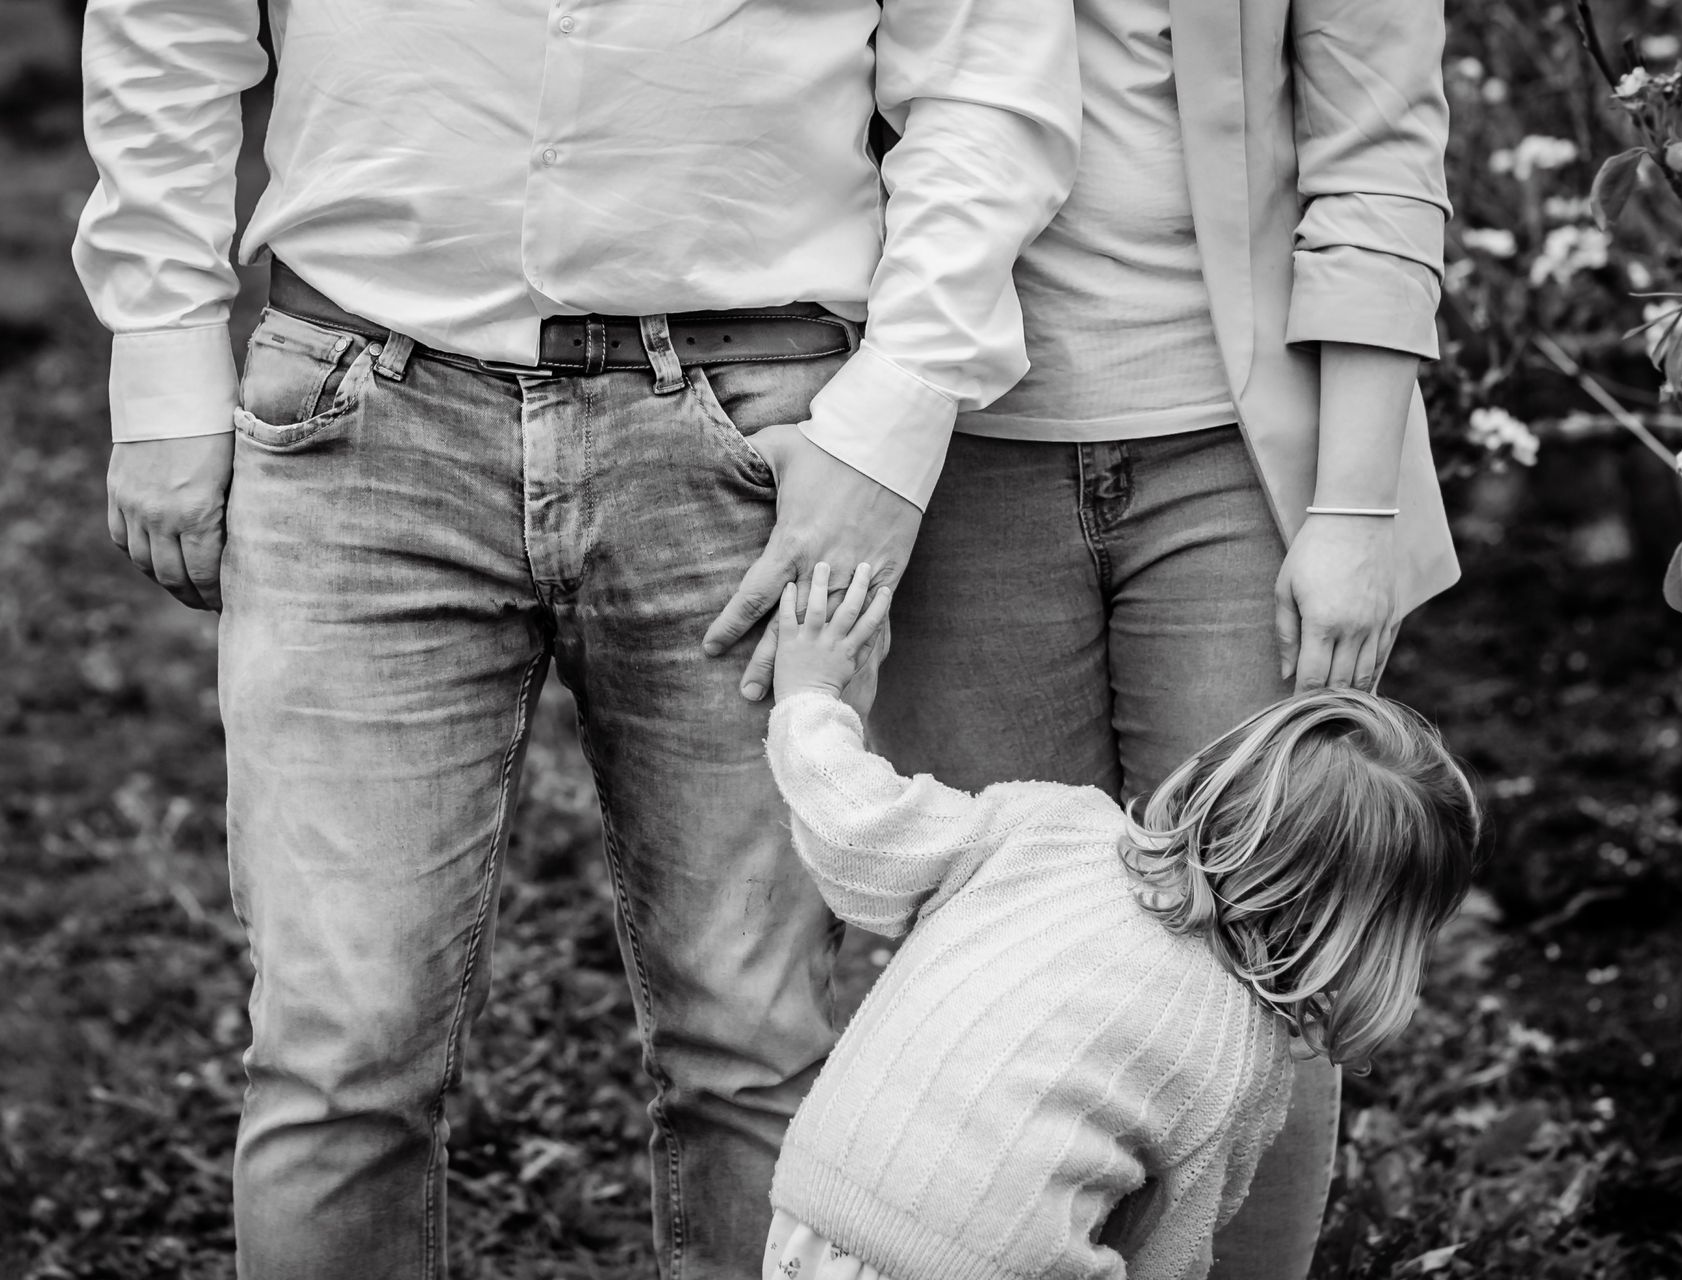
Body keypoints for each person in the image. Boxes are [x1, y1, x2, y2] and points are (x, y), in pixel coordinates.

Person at [71, 1, 1078, 1274]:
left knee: (753, 1036)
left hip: (748, 430)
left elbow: (986, 71)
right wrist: (159, 351)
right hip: (360, 407)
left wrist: (895, 417)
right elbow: (172, 22)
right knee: (339, 1050)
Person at [852, 0, 1456, 1271]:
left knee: (1266, 953)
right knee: (980, 945)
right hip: (960, 451)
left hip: (1246, 457)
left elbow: (1379, 157)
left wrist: (1353, 505)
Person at [758, 561, 1479, 1280]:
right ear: (1377, 941)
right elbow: (1170, 1246)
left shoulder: (1050, 827)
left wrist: (809, 697)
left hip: (817, 1219)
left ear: (1215, 775)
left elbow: (860, 831)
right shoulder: (1242, 1057)